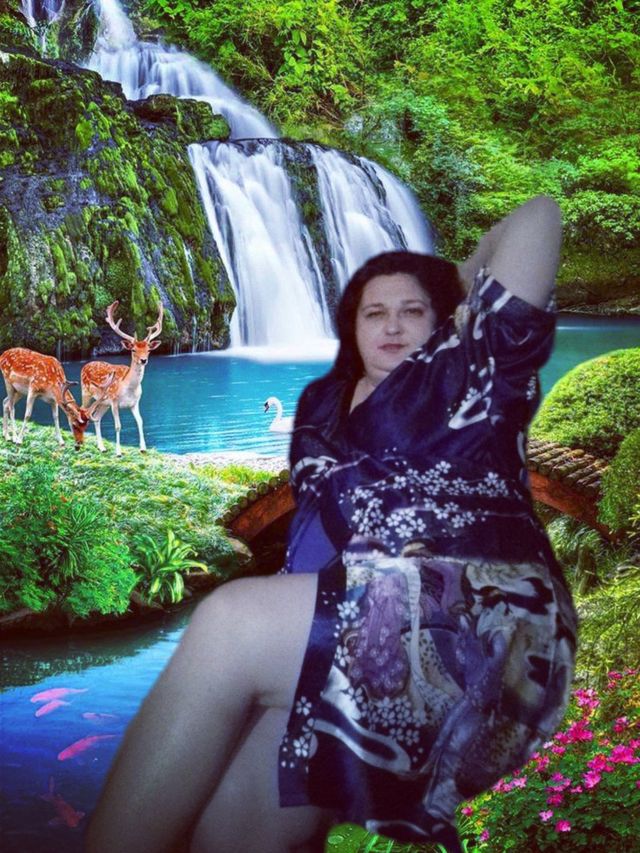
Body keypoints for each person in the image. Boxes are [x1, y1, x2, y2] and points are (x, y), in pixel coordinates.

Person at [86, 195, 577, 853]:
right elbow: (310, 564)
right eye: (374, 312)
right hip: (370, 633)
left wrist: (453, 285)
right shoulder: (327, 429)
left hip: (489, 615)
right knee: (230, 829)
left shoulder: (475, 379)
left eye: (412, 311)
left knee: (229, 623)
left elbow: (539, 217)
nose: (392, 323)